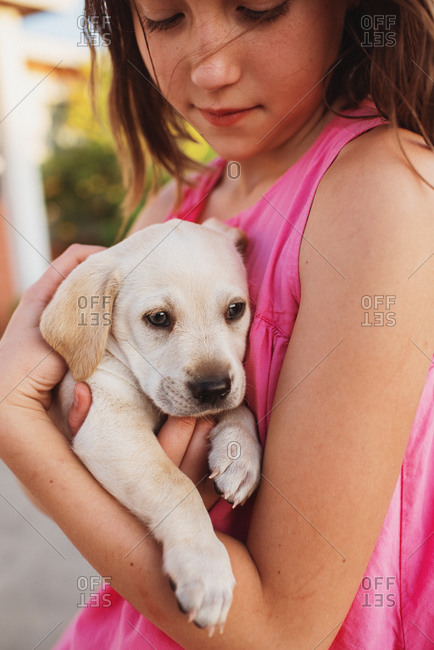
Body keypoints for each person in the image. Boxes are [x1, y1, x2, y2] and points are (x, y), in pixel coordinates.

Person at [0, 0, 433, 647]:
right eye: (164, 17)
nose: (210, 69)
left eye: (259, 8)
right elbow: (91, 486)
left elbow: (283, 634)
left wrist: (16, 427)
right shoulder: (175, 206)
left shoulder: (385, 191)